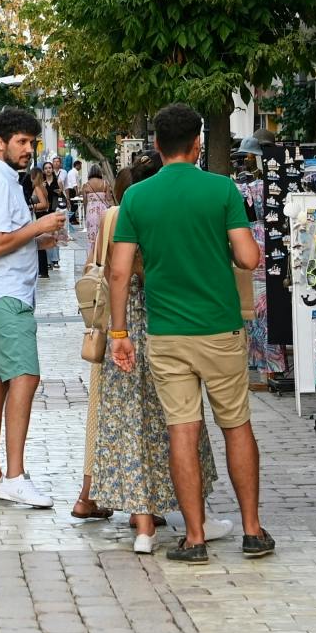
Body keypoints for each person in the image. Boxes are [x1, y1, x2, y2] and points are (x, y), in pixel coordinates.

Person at [107, 103, 273, 563]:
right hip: (220, 329)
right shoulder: (221, 190)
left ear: (157, 146)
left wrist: (119, 332)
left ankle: (195, 537)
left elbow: (118, 273)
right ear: (198, 143)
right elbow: (249, 259)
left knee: (182, 430)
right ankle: (253, 530)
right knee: (237, 426)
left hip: (166, 332)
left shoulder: (138, 198)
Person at [84, 150, 226, 552]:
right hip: (165, 324)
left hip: (123, 327)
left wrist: (116, 330)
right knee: (179, 426)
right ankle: (194, 515)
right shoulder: (167, 209)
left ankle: (144, 527)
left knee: (130, 424)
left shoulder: (120, 213)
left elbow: (110, 269)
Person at [0, 107, 67, 509]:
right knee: (25, 376)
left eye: (32, 142)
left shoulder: (4, 179)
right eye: (21, 142)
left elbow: (4, 240)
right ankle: (15, 475)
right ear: (0, 144)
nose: (28, 150)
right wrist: (39, 227)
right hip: (4, 294)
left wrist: (39, 242)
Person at [80, 165, 115, 259]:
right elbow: (109, 199)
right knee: (104, 234)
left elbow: (85, 201)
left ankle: (92, 258)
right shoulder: (104, 183)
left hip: (91, 212)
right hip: (104, 211)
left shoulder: (86, 185)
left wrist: (85, 213)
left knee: (92, 236)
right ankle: (103, 257)